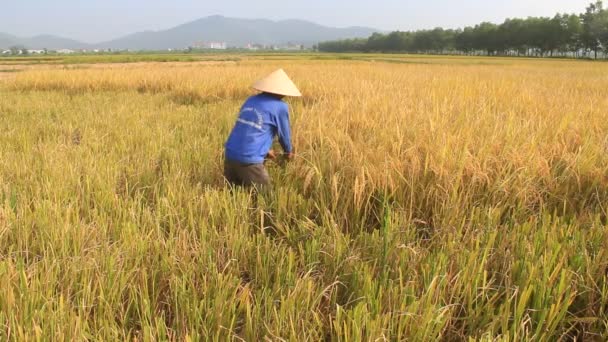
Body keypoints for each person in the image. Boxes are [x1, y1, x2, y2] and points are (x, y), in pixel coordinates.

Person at [224, 69, 302, 189]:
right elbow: (284, 136)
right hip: (249, 162)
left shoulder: (250, 100)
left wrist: (265, 151)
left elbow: (248, 130)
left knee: (234, 197)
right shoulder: (280, 107)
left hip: (230, 155)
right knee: (265, 198)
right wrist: (289, 152)